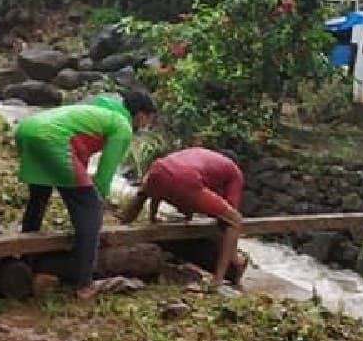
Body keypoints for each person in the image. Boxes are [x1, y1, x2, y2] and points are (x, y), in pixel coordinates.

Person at [15, 90, 157, 300]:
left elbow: (79, 149)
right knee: (91, 211)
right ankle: (84, 283)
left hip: (27, 129)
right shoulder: (122, 126)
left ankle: (25, 262)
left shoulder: (101, 109)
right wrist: (99, 201)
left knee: (38, 200)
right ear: (141, 115)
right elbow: (103, 177)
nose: (146, 125)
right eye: (148, 120)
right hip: (52, 138)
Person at [120, 148, 247, 285]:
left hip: (158, 168)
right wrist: (233, 254)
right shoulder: (234, 173)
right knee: (235, 220)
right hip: (185, 178)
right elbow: (230, 219)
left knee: (142, 195)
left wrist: (153, 217)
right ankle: (218, 279)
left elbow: (169, 186)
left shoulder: (202, 155)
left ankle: (120, 229)